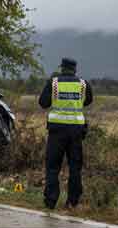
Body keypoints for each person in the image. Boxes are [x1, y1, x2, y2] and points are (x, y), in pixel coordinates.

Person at [38, 57, 93, 210]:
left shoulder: (54, 83)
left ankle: (50, 201)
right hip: (76, 131)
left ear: (62, 68)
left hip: (57, 131)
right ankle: (73, 202)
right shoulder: (83, 84)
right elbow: (88, 101)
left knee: (52, 166)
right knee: (75, 166)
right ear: (75, 69)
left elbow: (43, 103)